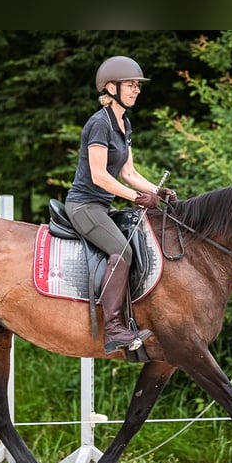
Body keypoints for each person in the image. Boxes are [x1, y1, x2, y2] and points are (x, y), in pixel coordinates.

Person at [65, 55, 175, 354]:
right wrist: (138, 198)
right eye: (131, 85)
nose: (136, 90)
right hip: (84, 206)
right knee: (122, 252)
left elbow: (128, 172)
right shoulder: (98, 124)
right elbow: (100, 176)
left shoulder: (124, 123)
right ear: (111, 87)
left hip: (102, 207)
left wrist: (158, 191)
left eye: (138, 86)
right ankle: (114, 328)